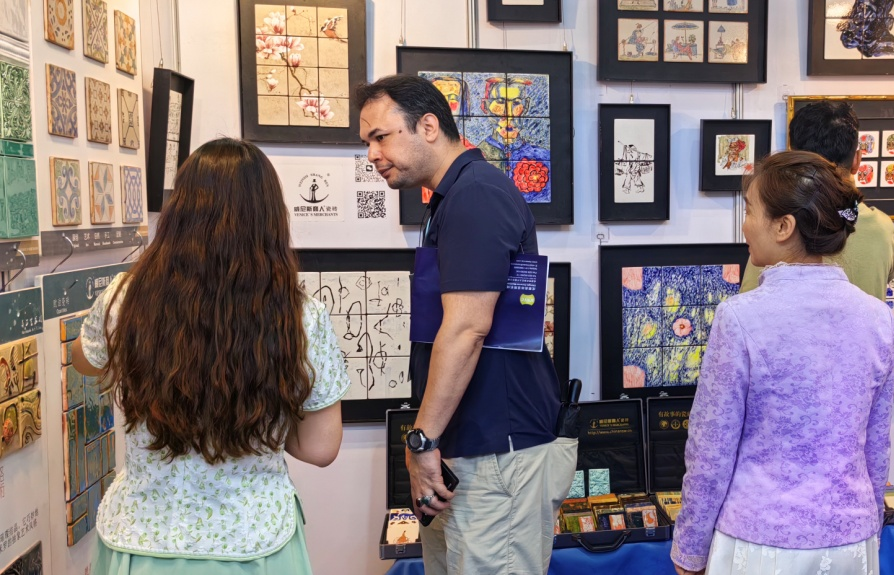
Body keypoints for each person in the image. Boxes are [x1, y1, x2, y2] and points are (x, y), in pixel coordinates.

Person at [73, 138, 350, 574]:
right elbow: (320, 447)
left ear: (178, 213)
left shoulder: (125, 299)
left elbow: (85, 360)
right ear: (270, 218)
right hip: (255, 542)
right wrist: (262, 422)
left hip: (141, 539)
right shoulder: (300, 316)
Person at [355, 75, 577, 574]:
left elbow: (466, 329)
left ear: (428, 126)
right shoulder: (452, 197)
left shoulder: (476, 194)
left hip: (497, 454)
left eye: (380, 136)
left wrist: (421, 441)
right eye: (367, 141)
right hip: (470, 451)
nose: (372, 154)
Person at [671, 151, 894, 575]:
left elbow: (711, 451)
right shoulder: (877, 318)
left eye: (749, 211)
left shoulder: (740, 318)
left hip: (760, 542)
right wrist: (870, 530)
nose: (744, 225)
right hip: (850, 540)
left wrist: (690, 550)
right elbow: (876, 449)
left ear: (783, 226)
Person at [739, 100, 894, 302]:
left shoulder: (781, 228)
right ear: (857, 159)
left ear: (794, 160)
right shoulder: (882, 228)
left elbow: (749, 300)